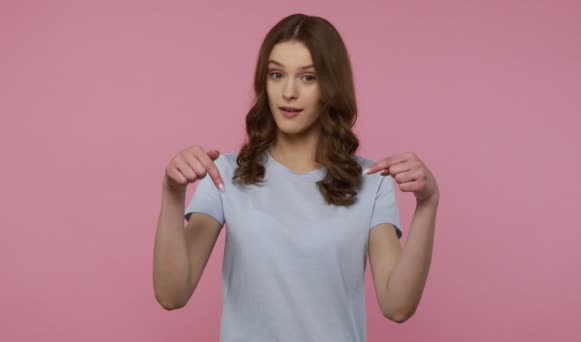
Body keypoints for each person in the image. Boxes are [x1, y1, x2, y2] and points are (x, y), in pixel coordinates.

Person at [153, 13, 440, 342]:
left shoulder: (372, 180)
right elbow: (171, 294)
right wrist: (172, 193)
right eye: (277, 74)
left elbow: (397, 306)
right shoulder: (224, 175)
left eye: (308, 78)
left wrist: (428, 203)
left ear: (331, 85)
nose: (288, 92)